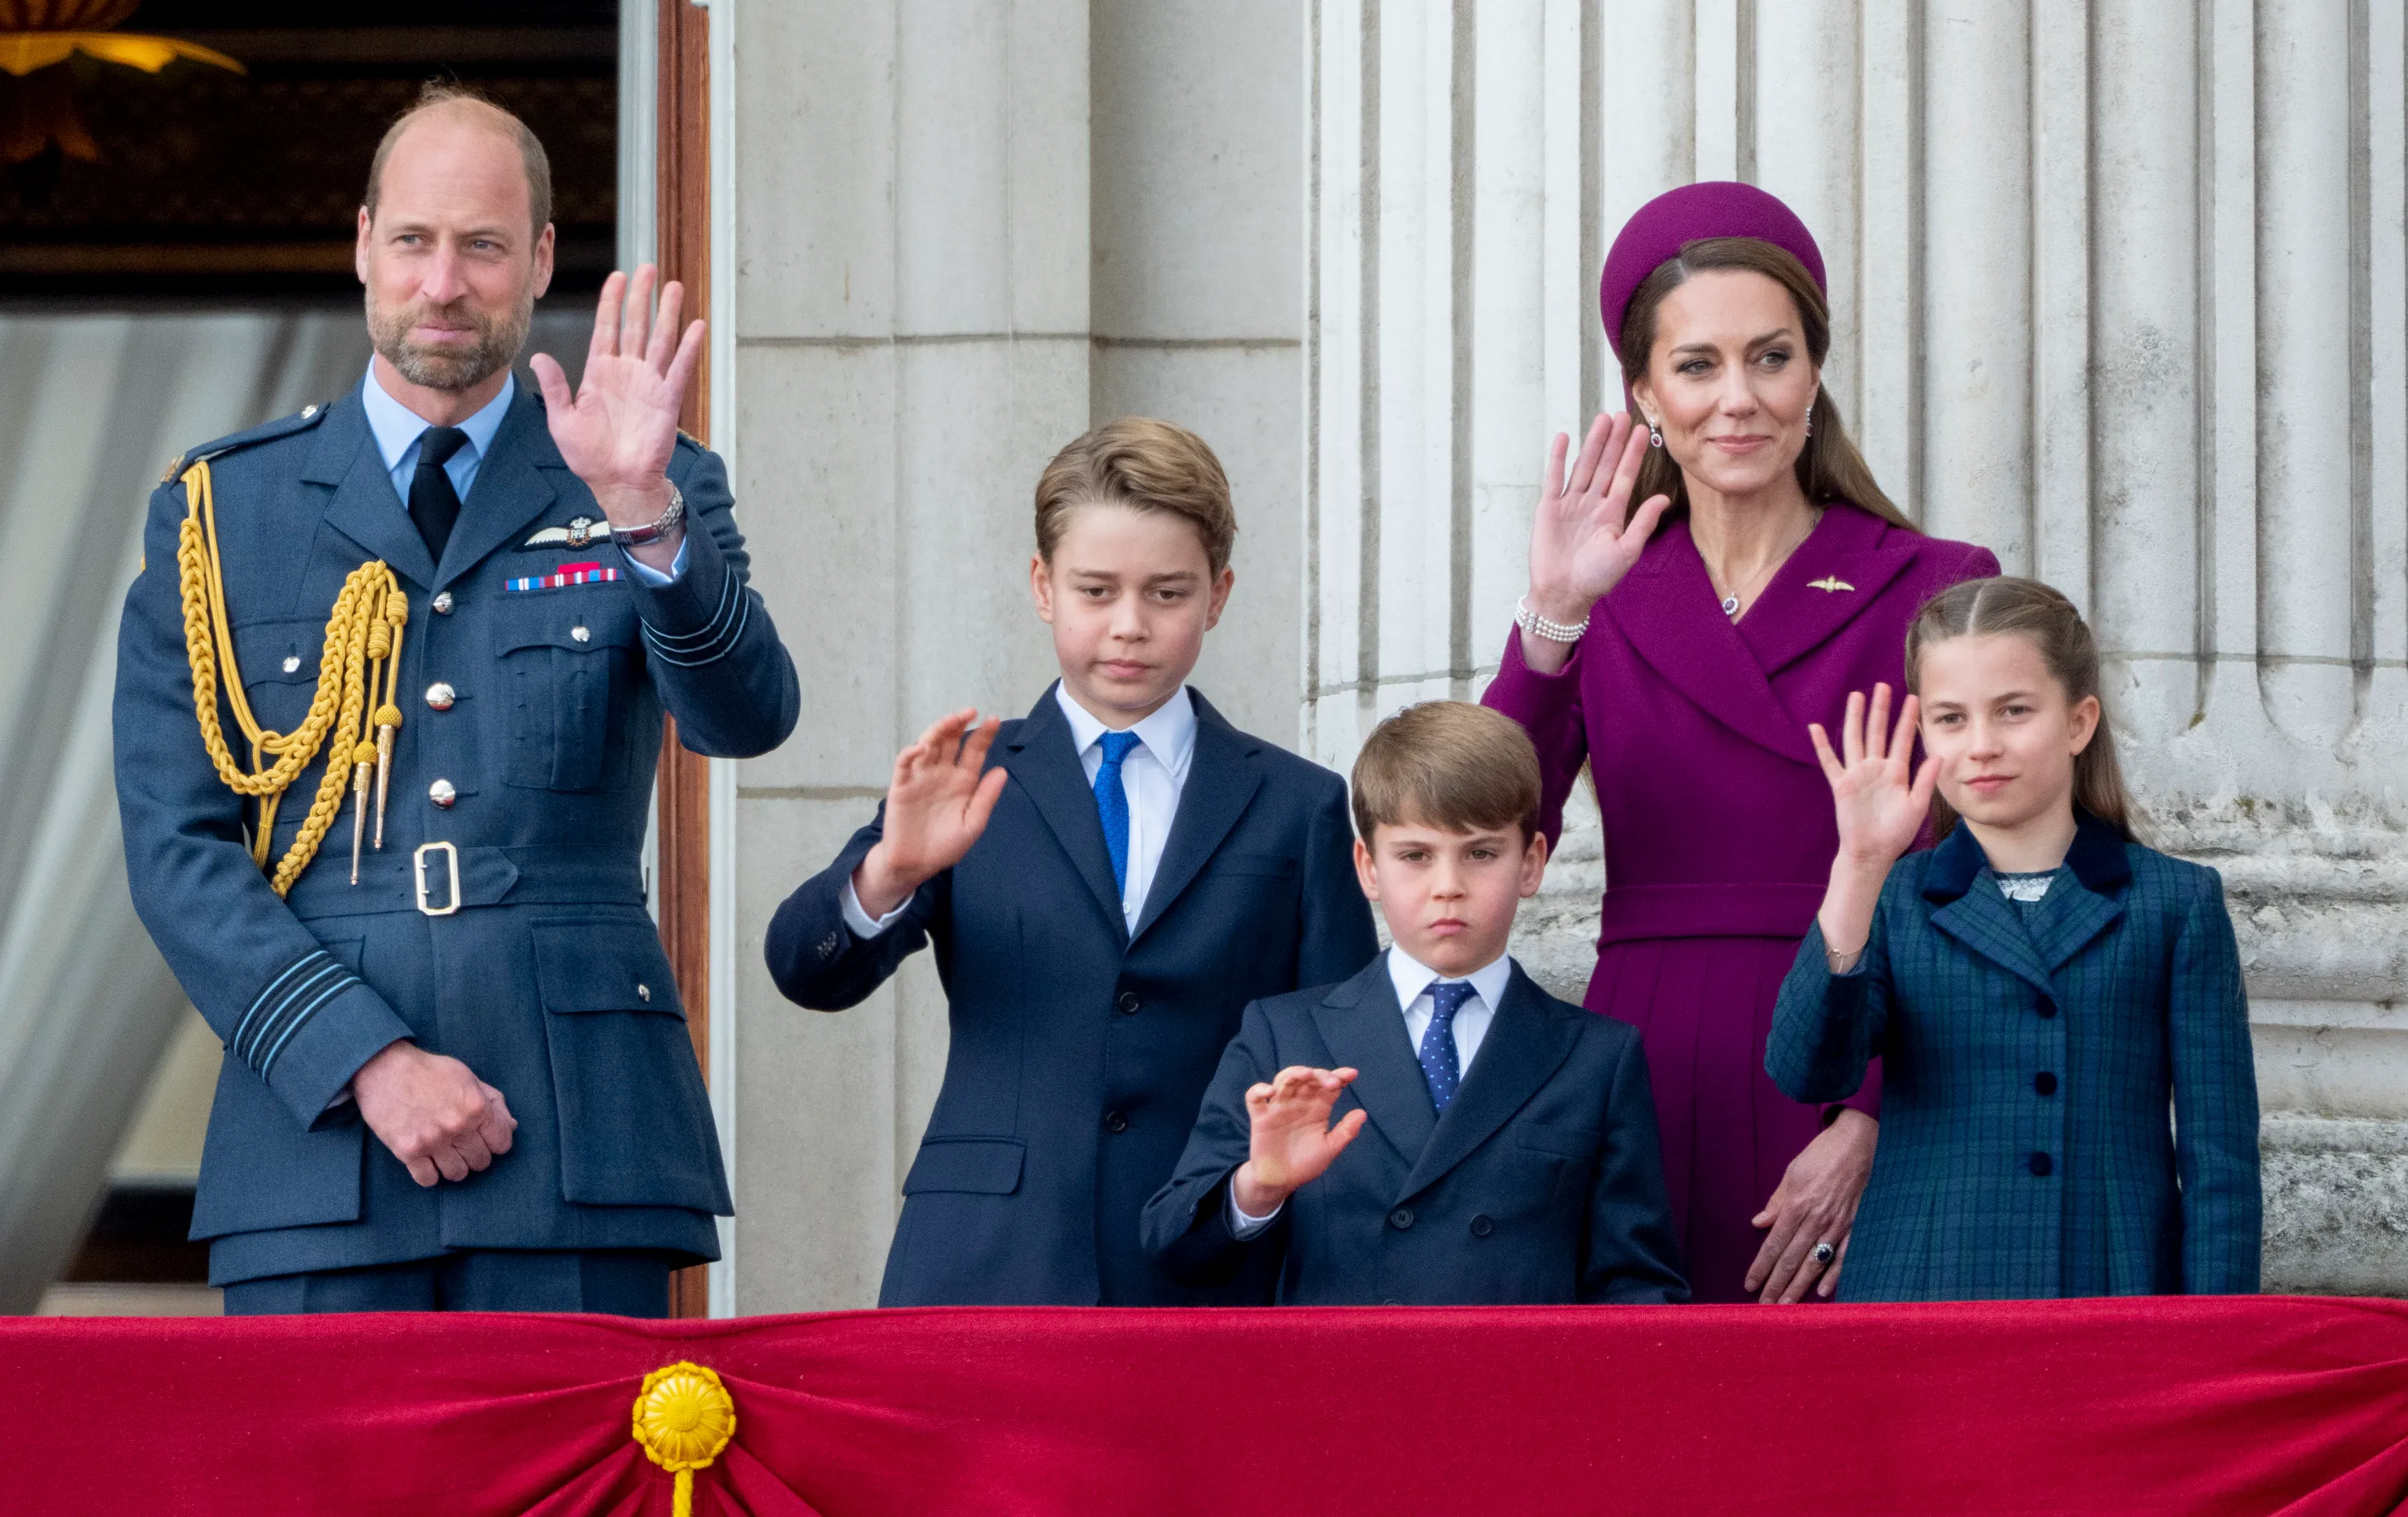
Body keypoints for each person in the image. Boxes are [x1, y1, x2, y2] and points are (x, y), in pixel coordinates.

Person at [112, 85, 799, 1315]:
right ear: (364, 242)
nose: (444, 283)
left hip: (582, 1132)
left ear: (538, 259)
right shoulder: (225, 512)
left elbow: (747, 718)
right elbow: (177, 848)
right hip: (317, 1143)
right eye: (417, 241)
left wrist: (644, 510)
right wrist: (364, 1059)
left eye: (483, 244)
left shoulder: (649, 476)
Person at [1480, 181, 2002, 1303]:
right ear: (1645, 392)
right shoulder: (1602, 594)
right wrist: (1550, 615)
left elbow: (1971, 878)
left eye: (1770, 357)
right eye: (1698, 365)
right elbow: (1480, 820)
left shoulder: (1935, 584)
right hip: (1643, 1059)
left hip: (1857, 1044)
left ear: (1814, 371)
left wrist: (1873, 1112)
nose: (1738, 400)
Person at [763, 417, 1378, 1307]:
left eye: (1167, 594)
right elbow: (803, 969)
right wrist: (891, 872)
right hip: (984, 1262)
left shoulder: (1300, 806)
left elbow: (1337, 1059)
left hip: (1210, 1266)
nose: (1129, 626)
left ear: (1219, 595)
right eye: (1097, 590)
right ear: (1043, 587)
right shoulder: (965, 778)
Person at [1767, 578, 2260, 1299]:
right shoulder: (1894, 897)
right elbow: (1806, 1071)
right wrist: (1858, 867)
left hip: (2109, 1284)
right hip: (1923, 1288)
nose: (1982, 746)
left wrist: (2216, 1347)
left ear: (2078, 721)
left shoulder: (2176, 902)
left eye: (2014, 711)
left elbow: (2221, 1166)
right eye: (1950, 719)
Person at [1141, 702, 1686, 1305]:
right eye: (1415, 856)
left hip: (1518, 1393)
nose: (1447, 885)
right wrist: (1257, 1189)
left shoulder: (1597, 1057)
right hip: (1338, 1392)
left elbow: (1637, 1286)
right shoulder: (1282, 1034)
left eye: (1481, 853)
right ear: (1368, 868)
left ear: (1531, 862)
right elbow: (1172, 1248)